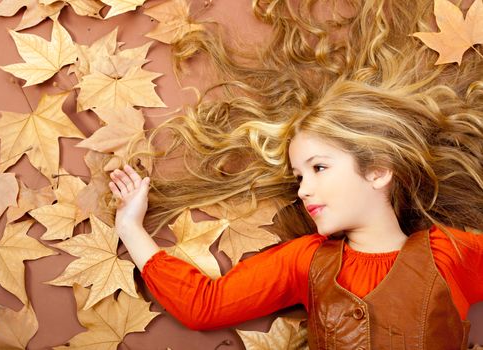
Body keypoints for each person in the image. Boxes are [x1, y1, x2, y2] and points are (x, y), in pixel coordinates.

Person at [106, 0, 483, 348]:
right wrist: (131, 228)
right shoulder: (307, 261)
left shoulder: (449, 253)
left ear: (378, 171)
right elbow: (204, 306)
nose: (303, 190)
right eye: (299, 176)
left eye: (318, 167)